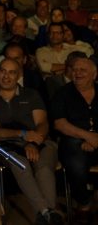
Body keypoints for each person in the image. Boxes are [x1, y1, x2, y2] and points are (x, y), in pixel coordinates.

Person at [0, 56, 62, 223]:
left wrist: (33, 143)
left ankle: (46, 215)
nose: (6, 76)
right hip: (8, 145)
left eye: (12, 72)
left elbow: (42, 124)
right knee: (21, 165)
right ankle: (47, 212)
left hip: (39, 141)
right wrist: (22, 134)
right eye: (3, 71)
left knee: (44, 169)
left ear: (19, 75)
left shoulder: (31, 95)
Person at [51, 56, 98, 216]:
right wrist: (88, 137)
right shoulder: (62, 93)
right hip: (74, 142)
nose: (77, 73)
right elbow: (60, 124)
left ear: (94, 74)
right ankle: (84, 201)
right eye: (74, 70)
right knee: (75, 161)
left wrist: (95, 139)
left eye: (82, 70)